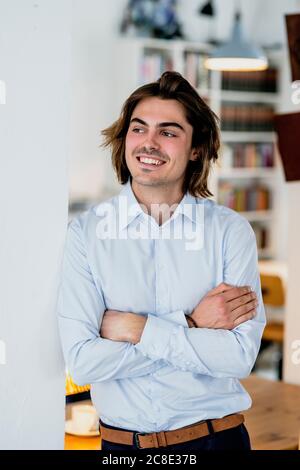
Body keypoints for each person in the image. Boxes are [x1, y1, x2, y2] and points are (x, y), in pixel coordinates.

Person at [57, 71, 265, 451]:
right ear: (124, 141)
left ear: (196, 148)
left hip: (216, 442)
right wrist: (190, 325)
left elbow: (237, 357)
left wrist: (134, 328)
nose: (149, 143)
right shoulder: (85, 235)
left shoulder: (230, 232)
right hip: (122, 449)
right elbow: (84, 363)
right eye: (139, 129)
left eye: (168, 132)